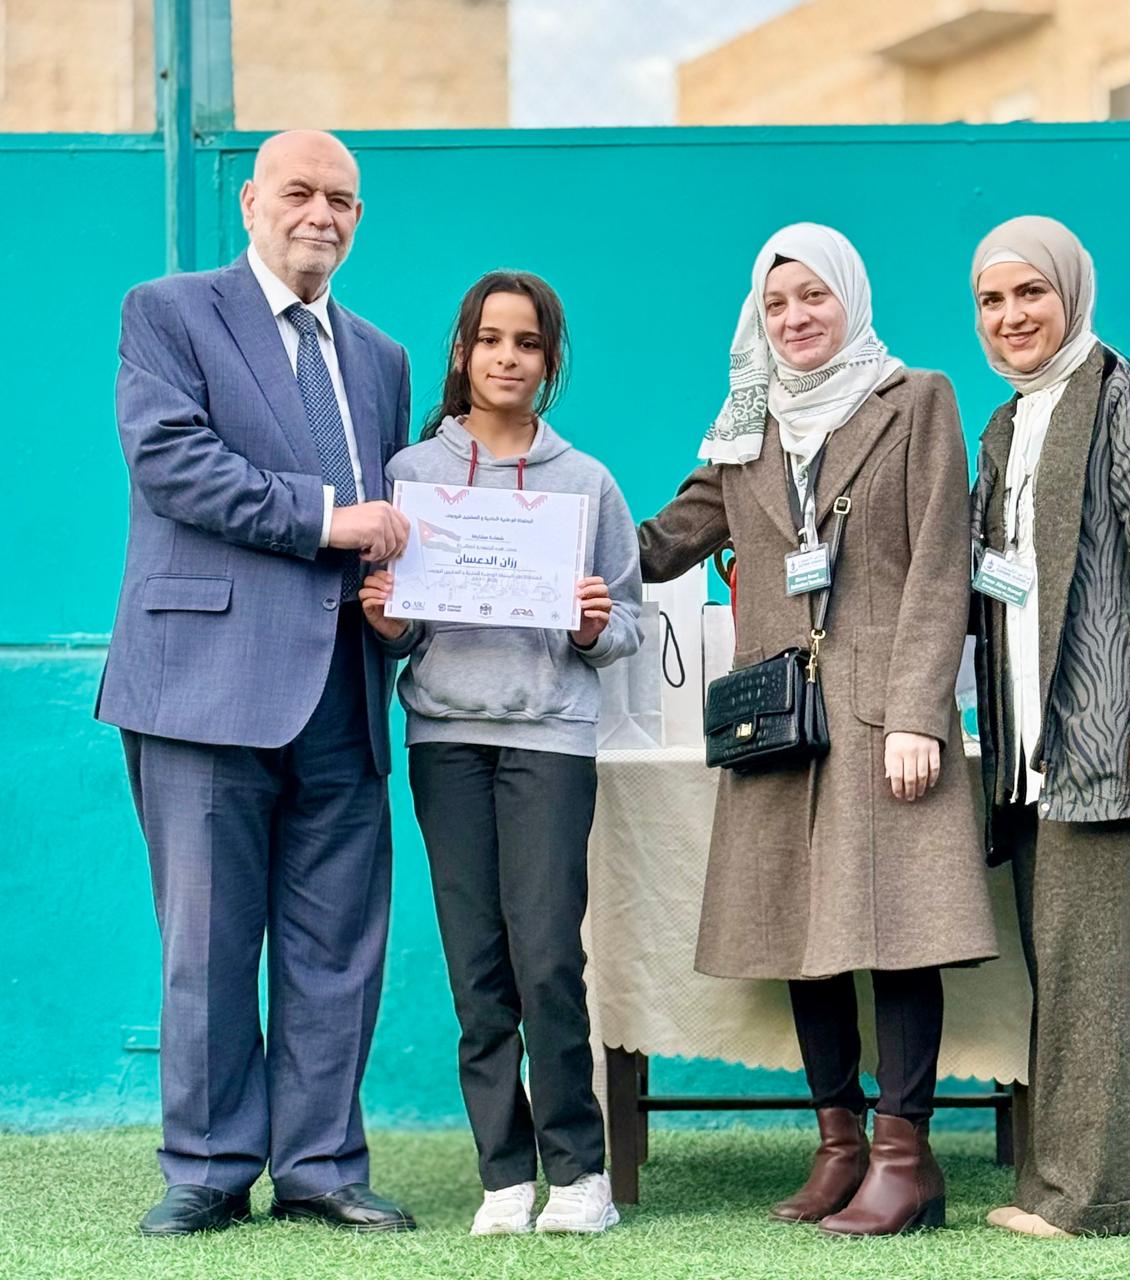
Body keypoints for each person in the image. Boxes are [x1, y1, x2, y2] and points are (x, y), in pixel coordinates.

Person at [636, 223, 996, 1236]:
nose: (793, 318)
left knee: (899, 930)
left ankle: (903, 1157)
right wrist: (535, 533)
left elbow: (939, 562)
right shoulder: (745, 422)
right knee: (805, 933)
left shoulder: (914, 398)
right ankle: (838, 1145)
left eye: (812, 297)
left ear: (848, 297)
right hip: (778, 721)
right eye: (775, 303)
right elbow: (662, 542)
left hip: (883, 713)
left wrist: (919, 713)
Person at [97, 130, 416, 1236]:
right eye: (298, 192)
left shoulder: (380, 357)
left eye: (342, 199)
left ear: (358, 218)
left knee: (338, 947)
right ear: (250, 201)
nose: (320, 213)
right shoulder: (168, 311)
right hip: (202, 683)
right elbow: (172, 462)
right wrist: (330, 521)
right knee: (208, 942)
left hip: (343, 686)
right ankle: (209, 1166)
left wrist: (395, 602)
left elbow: (391, 517)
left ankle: (321, 1164)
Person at [360, 271, 641, 1236]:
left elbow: (625, 624)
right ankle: (505, 1176)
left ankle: (580, 1175)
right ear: (462, 352)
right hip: (445, 739)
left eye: (526, 343)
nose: (506, 358)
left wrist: (593, 626)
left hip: (548, 740)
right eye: (490, 340)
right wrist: (388, 623)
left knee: (547, 960)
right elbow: (400, 624)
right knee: (476, 970)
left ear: (549, 361)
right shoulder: (408, 474)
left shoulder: (586, 482)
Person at [969, 215, 1130, 1238]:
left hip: (1114, 740)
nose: (1010, 316)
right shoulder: (1005, 423)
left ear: (1070, 292)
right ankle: (1069, 1182)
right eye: (990, 300)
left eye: (1029, 292)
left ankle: (1100, 1198)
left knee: (1095, 974)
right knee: (1072, 969)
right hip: (1038, 749)